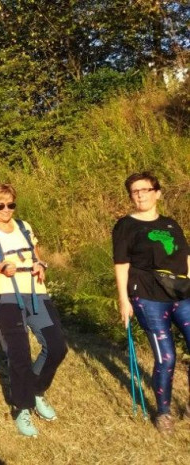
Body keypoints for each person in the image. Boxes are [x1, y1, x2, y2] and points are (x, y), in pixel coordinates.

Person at [0, 182, 67, 438]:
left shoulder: (24, 227)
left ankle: (35, 390)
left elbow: (36, 256)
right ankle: (22, 407)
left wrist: (41, 264)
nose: (6, 209)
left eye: (10, 204)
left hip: (36, 292)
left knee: (57, 347)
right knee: (19, 353)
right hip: (5, 296)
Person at [113, 171, 190, 435]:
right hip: (147, 296)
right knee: (166, 357)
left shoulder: (171, 224)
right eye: (135, 191)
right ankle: (164, 412)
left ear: (157, 193)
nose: (140, 195)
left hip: (182, 295)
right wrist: (124, 300)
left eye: (145, 189)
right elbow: (122, 265)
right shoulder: (126, 225)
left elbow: (186, 258)